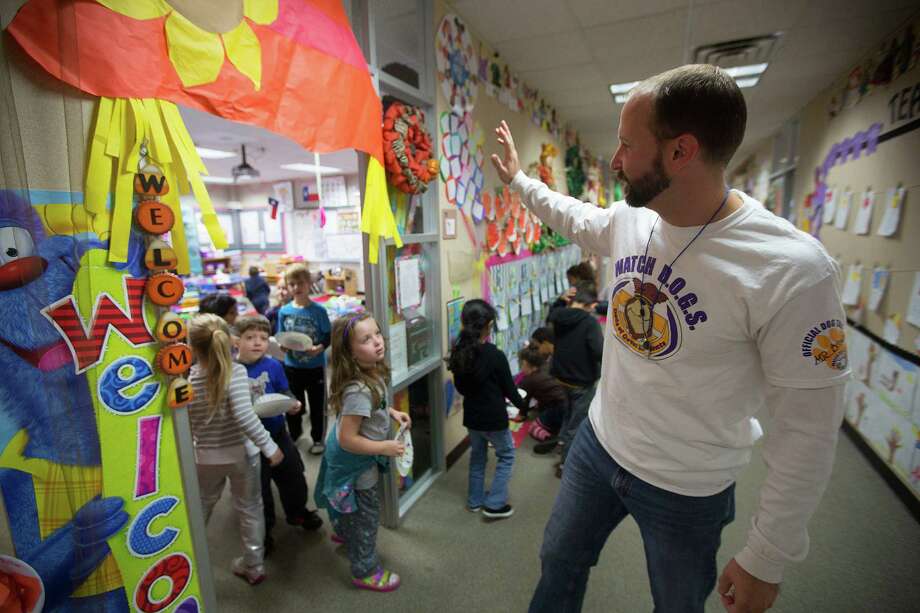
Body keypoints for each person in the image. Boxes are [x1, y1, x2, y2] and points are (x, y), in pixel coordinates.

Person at [491, 64, 848, 613]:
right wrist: (519, 181)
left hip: (690, 486)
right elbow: (576, 217)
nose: (614, 162)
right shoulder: (636, 218)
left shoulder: (792, 270)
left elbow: (808, 432)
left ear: (680, 152)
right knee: (558, 559)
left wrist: (766, 556)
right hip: (600, 445)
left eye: (627, 145)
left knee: (678, 604)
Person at [315, 313, 410, 592]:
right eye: (366, 339)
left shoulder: (372, 372)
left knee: (347, 504)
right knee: (367, 516)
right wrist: (385, 447)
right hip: (355, 462)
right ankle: (365, 571)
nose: (378, 342)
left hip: (352, 456)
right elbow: (348, 439)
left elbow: (372, 408)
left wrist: (391, 412)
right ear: (350, 352)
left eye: (377, 334)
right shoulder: (358, 390)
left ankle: (345, 531)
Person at [187, 314, 283, 585]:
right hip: (243, 455)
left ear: (193, 347)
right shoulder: (236, 372)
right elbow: (244, 415)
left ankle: (189, 558)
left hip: (204, 457)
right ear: (230, 341)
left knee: (201, 506)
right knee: (250, 508)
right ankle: (254, 565)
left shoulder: (189, 378)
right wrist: (270, 446)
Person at [235, 315, 324, 556]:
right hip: (248, 441)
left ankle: (297, 512)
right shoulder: (232, 370)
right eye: (250, 337)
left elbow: (284, 390)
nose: (257, 343)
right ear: (236, 341)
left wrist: (292, 401)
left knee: (294, 473)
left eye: (263, 338)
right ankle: (264, 533)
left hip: (277, 431)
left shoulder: (274, 365)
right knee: (258, 489)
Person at [447, 299, 529, 519]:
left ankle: (474, 501)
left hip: (472, 418)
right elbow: (510, 390)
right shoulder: (494, 355)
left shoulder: (458, 351)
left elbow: (461, 387)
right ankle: (494, 503)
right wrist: (525, 407)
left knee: (477, 457)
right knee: (506, 455)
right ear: (488, 326)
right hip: (494, 419)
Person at [544, 283, 603, 473]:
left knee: (568, 413)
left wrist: (561, 299)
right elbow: (598, 351)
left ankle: (562, 442)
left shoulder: (560, 316)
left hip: (561, 377)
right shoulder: (590, 322)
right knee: (576, 423)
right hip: (581, 380)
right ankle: (565, 464)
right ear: (590, 305)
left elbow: (552, 313)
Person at [277, 263, 331, 450]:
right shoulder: (284, 312)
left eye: (300, 283)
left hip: (315, 367)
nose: (296, 288)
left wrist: (320, 347)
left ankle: (318, 439)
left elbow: (328, 336)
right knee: (293, 404)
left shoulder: (319, 311)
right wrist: (281, 347)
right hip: (292, 367)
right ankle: (295, 434)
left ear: (309, 284)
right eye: (291, 284)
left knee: (317, 407)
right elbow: (281, 336)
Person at [517, 346, 567, 447]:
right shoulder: (544, 370)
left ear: (525, 364)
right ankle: (557, 429)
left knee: (533, 427)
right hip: (567, 403)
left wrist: (522, 415)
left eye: (521, 364)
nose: (521, 368)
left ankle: (549, 438)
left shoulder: (528, 381)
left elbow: (524, 401)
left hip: (557, 408)